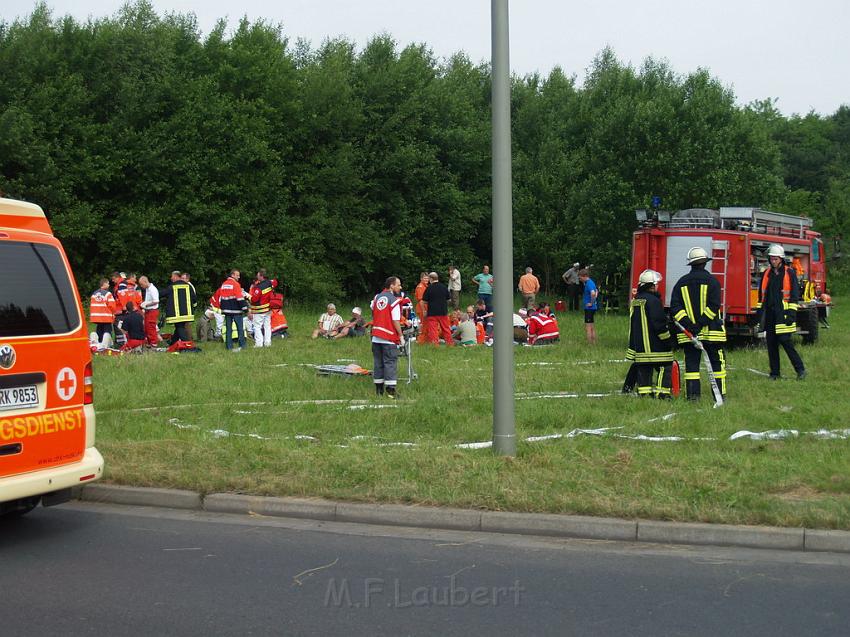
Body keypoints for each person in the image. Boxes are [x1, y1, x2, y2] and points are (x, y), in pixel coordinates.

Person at [670, 247, 727, 400]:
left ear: (691, 264)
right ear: (704, 263)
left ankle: (693, 397)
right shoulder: (713, 282)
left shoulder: (680, 283)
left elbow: (675, 308)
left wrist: (689, 325)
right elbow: (714, 306)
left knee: (692, 367)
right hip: (712, 333)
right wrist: (700, 324)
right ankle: (719, 396)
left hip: (689, 335)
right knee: (717, 366)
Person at [757, 244, 806, 380]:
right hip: (770, 314)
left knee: (786, 342)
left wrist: (791, 314)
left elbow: (794, 295)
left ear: (781, 259)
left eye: (775, 259)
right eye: (771, 259)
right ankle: (775, 373)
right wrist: (759, 315)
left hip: (783, 315)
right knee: (771, 344)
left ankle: (800, 370)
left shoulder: (789, 272)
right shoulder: (767, 273)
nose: (773, 261)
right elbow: (762, 296)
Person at [626, 270, 674, 398]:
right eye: (656, 284)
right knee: (666, 366)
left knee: (644, 368)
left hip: (640, 347)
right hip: (655, 346)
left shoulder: (636, 301)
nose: (657, 286)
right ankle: (662, 394)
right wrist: (668, 341)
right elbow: (659, 324)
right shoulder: (654, 301)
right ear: (651, 285)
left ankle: (644, 394)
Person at [370, 277, 405, 398]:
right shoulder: (394, 301)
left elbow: (373, 310)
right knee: (390, 363)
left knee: (378, 363)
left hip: (376, 336)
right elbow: (395, 321)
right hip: (388, 337)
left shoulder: (377, 297)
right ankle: (390, 391)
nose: (400, 287)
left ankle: (379, 391)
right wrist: (401, 336)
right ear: (391, 286)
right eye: (398, 285)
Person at [162, 270, 196, 345]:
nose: (171, 278)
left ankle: (187, 345)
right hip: (187, 313)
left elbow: (162, 293)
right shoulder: (188, 286)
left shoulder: (172, 286)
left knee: (180, 328)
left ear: (176, 276)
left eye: (172, 276)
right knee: (179, 328)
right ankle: (173, 343)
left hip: (177, 314)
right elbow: (194, 299)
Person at [216, 270, 248, 350]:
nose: (239, 277)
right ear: (233, 275)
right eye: (237, 275)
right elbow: (240, 298)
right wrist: (245, 309)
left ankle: (229, 346)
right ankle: (242, 346)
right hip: (236, 310)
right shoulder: (236, 284)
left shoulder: (224, 284)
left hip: (226, 311)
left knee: (228, 329)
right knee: (240, 329)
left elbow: (221, 298)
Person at [422, 272, 453, 346]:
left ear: (431, 279)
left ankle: (435, 344)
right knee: (446, 328)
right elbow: (449, 300)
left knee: (433, 330)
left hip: (432, 312)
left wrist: (425, 310)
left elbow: (424, 301)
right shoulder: (444, 287)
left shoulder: (429, 288)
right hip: (443, 312)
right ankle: (449, 343)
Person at [249, 269, 275, 348]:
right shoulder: (269, 283)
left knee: (257, 326)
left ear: (261, 276)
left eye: (258, 275)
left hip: (259, 310)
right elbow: (275, 282)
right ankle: (267, 343)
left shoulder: (259, 287)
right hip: (268, 309)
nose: (257, 277)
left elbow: (254, 299)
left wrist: (248, 296)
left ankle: (259, 344)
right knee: (267, 326)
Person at [89, 278, 117, 348]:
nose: (109, 285)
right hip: (106, 317)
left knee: (99, 331)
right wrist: (113, 314)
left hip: (96, 318)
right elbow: (112, 306)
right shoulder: (108, 294)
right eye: (108, 283)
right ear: (104, 284)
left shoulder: (94, 294)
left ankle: (98, 345)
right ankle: (107, 346)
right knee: (107, 332)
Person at [138, 275, 160, 346]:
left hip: (152, 311)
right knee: (147, 327)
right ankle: (150, 342)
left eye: (141, 284)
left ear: (145, 281)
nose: (141, 286)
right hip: (148, 311)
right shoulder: (148, 289)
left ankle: (153, 343)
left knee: (151, 327)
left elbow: (156, 301)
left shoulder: (152, 289)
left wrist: (146, 305)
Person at [579, 269, 598, 344]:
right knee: (592, 326)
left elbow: (593, 293)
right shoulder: (591, 282)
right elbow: (596, 291)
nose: (580, 279)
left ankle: (589, 343)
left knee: (588, 327)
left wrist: (591, 303)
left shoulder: (589, 283)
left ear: (584, 276)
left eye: (580, 278)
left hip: (589, 308)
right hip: (592, 308)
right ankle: (594, 342)